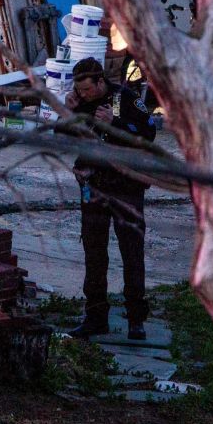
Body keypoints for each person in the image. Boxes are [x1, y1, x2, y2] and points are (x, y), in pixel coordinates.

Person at [65, 57, 156, 340]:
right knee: (94, 253)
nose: (84, 95)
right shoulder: (78, 103)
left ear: (101, 82)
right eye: (79, 91)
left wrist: (115, 122)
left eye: (88, 90)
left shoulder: (121, 99)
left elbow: (147, 133)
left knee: (131, 252)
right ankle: (95, 316)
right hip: (95, 186)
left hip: (126, 186)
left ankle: (135, 319)